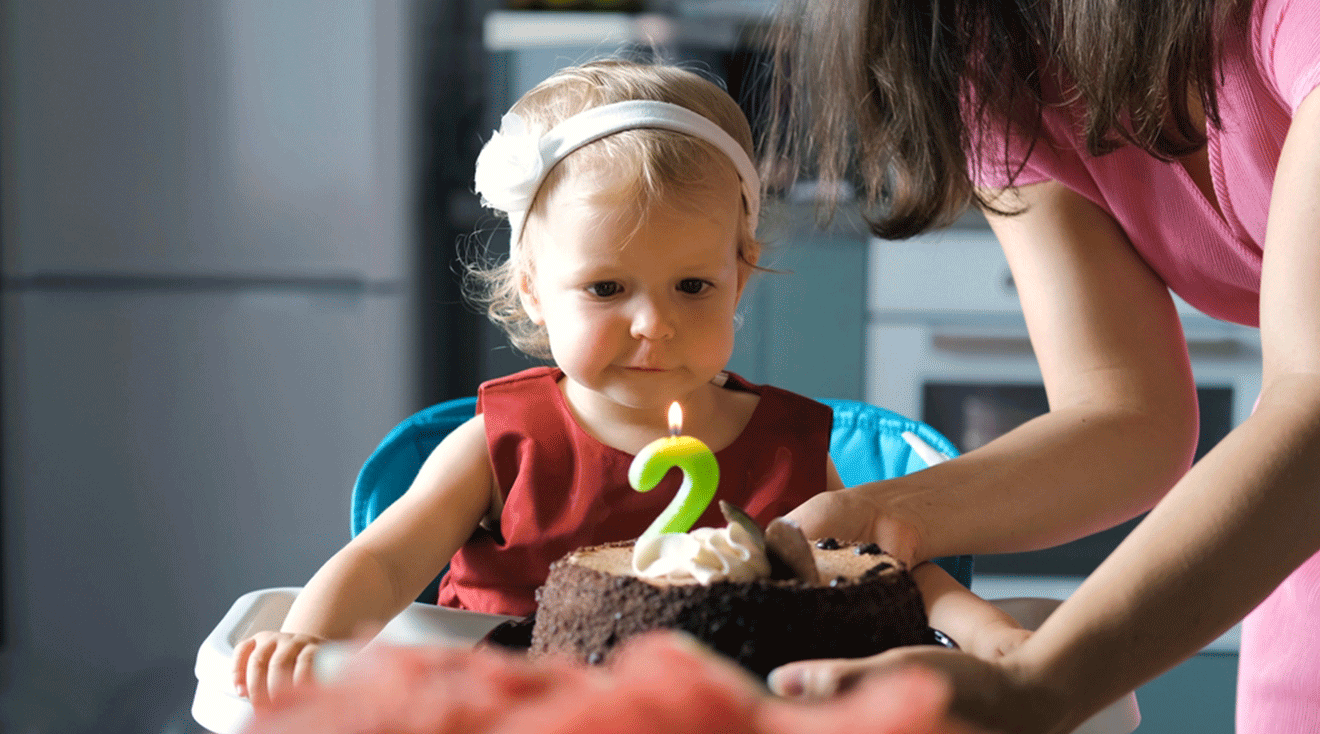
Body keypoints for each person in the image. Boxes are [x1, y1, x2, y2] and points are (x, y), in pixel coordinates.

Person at [230, 59, 1027, 709]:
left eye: (692, 286)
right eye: (608, 290)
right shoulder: (501, 445)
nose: (655, 324)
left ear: (741, 276)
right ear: (535, 288)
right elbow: (383, 561)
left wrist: (993, 637)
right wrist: (308, 639)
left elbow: (886, 574)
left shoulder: (789, 450)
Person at [762, 1, 1320, 732]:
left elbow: (1313, 401)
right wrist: (888, 517)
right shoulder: (993, 54)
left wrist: (1040, 686)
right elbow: (1125, 414)